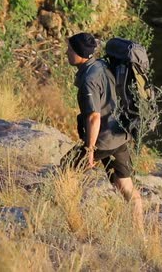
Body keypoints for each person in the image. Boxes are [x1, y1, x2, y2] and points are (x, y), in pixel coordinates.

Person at [61, 32, 143, 229]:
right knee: (126, 187)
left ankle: (71, 221)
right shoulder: (102, 65)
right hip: (119, 134)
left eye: (70, 50)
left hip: (103, 138)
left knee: (65, 170)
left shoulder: (89, 79)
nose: (66, 53)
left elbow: (93, 117)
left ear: (81, 54)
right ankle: (141, 236)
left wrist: (90, 150)